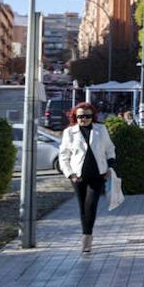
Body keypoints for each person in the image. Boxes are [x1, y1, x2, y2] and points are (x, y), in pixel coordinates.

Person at [58, 102, 117, 254]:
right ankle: (87, 233)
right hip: (78, 176)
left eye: (87, 116)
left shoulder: (100, 129)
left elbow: (110, 149)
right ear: (75, 117)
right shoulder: (69, 132)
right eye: (80, 116)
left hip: (98, 175)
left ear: (93, 117)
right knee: (82, 207)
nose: (83, 119)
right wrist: (70, 174)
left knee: (90, 205)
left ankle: (87, 237)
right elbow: (63, 156)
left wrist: (110, 167)